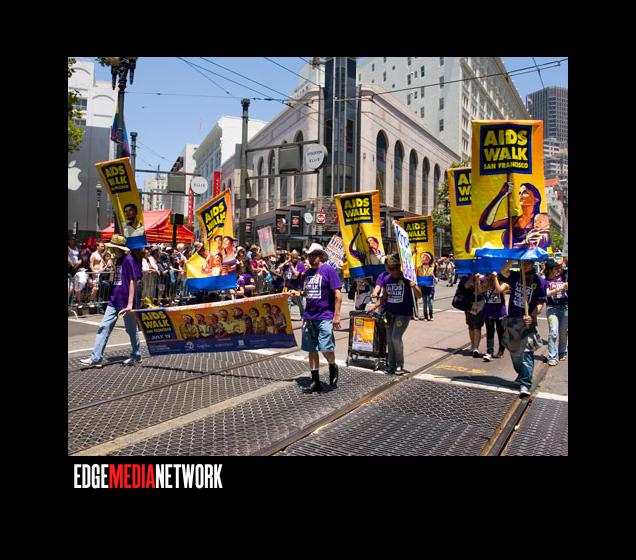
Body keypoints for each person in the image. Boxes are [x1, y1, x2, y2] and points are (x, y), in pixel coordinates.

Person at [80, 234, 143, 367]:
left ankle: (136, 354)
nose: (111, 249)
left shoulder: (128, 259)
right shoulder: (119, 260)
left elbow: (133, 281)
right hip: (114, 299)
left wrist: (130, 303)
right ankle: (96, 358)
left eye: (113, 247)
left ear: (117, 248)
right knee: (104, 327)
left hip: (126, 301)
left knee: (131, 329)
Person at [290, 242, 342, 393]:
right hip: (309, 316)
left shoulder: (329, 270)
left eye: (314, 255)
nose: (311, 258)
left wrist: (337, 316)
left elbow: (338, 295)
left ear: (320, 256)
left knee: (325, 348)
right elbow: (308, 292)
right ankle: (315, 380)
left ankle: (333, 366)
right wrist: (298, 293)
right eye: (309, 256)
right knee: (311, 349)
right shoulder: (308, 273)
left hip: (325, 316)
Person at [500, 259, 548, 395]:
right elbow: (503, 271)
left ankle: (525, 383)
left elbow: (540, 303)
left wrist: (532, 316)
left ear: (532, 264)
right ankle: (522, 375)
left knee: (526, 353)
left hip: (528, 322)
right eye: (523, 263)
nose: (525, 266)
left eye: (528, 263)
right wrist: (513, 259)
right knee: (515, 354)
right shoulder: (515, 276)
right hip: (513, 321)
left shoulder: (540, 281)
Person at [368, 253, 421, 375]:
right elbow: (384, 297)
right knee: (390, 339)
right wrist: (374, 306)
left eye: (395, 268)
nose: (393, 271)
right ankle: (391, 364)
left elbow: (419, 295)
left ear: (399, 267)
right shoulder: (387, 279)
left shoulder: (407, 279)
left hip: (403, 314)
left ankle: (399, 364)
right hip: (390, 313)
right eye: (390, 269)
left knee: (396, 337)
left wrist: (414, 286)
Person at [480, 182, 549, 249]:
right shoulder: (513, 221)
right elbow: (485, 225)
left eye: (525, 193)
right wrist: (501, 195)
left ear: (536, 199)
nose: (521, 195)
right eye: (519, 193)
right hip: (508, 256)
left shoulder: (543, 219)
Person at [479, 272, 510, 362]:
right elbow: (481, 290)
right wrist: (478, 280)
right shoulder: (486, 283)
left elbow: (499, 290)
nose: (491, 276)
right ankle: (489, 352)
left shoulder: (504, 284)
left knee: (501, 332)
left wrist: (495, 278)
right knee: (490, 332)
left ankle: (501, 350)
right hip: (488, 311)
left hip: (500, 312)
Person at [454, 274, 486, 357]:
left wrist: (478, 280)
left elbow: (481, 290)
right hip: (468, 305)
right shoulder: (466, 277)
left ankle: (476, 347)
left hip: (480, 305)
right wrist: (472, 276)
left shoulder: (483, 277)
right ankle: (472, 344)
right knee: (471, 326)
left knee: (477, 327)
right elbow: (465, 286)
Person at [544, 260, 568, 366]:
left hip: (565, 307)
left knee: (563, 332)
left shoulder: (563, 276)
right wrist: (560, 288)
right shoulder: (545, 281)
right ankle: (552, 357)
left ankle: (562, 352)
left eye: (559, 268)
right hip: (552, 308)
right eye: (556, 268)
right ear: (550, 270)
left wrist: (564, 259)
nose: (558, 270)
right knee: (553, 332)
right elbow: (547, 294)